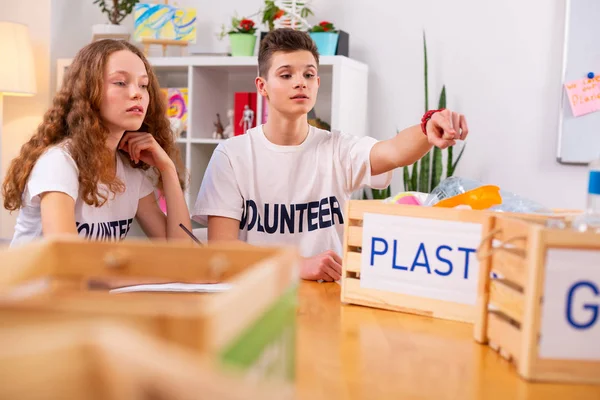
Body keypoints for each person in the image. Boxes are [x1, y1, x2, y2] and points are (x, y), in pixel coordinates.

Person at [192, 28, 468, 282]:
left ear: (317, 82)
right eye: (286, 75)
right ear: (262, 86)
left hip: (329, 295)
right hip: (257, 295)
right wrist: (298, 265)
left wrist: (428, 127)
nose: (300, 82)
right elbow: (223, 246)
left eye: (308, 74)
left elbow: (393, 150)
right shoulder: (231, 155)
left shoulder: (338, 148)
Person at [2, 39, 192, 246]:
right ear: (87, 90)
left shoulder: (130, 172)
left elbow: (182, 251)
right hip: (41, 279)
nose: (137, 93)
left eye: (143, 85)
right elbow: (68, 262)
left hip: (94, 279)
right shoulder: (59, 163)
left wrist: (168, 170)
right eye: (120, 82)